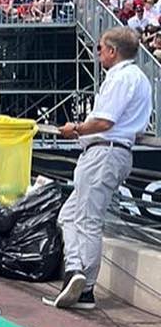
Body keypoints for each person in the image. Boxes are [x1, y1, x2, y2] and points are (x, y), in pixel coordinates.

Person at [53, 27, 153, 309]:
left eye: (100, 49)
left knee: (86, 220)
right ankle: (76, 270)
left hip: (104, 151)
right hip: (114, 152)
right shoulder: (141, 79)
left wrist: (75, 128)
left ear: (112, 50)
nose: (98, 54)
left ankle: (83, 283)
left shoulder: (121, 77)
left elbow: (104, 122)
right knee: (69, 215)